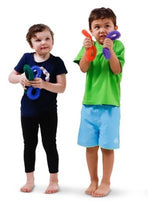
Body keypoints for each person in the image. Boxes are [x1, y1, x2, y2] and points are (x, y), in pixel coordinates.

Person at [8, 24, 67, 194]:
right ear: (31, 44)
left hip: (48, 112)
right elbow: (10, 77)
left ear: (53, 41)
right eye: (38, 39)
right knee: (29, 144)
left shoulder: (56, 62)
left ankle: (54, 180)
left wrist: (45, 84)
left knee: (49, 144)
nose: (43, 42)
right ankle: (29, 180)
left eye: (47, 38)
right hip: (28, 112)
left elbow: (62, 87)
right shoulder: (26, 58)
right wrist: (20, 78)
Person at [74, 7, 125, 197]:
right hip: (89, 104)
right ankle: (93, 180)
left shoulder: (118, 46)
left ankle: (106, 182)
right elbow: (83, 68)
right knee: (90, 146)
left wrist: (110, 51)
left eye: (106, 25)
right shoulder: (88, 46)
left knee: (107, 147)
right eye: (97, 27)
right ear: (91, 30)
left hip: (110, 106)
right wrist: (88, 51)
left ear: (115, 28)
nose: (102, 30)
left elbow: (116, 69)